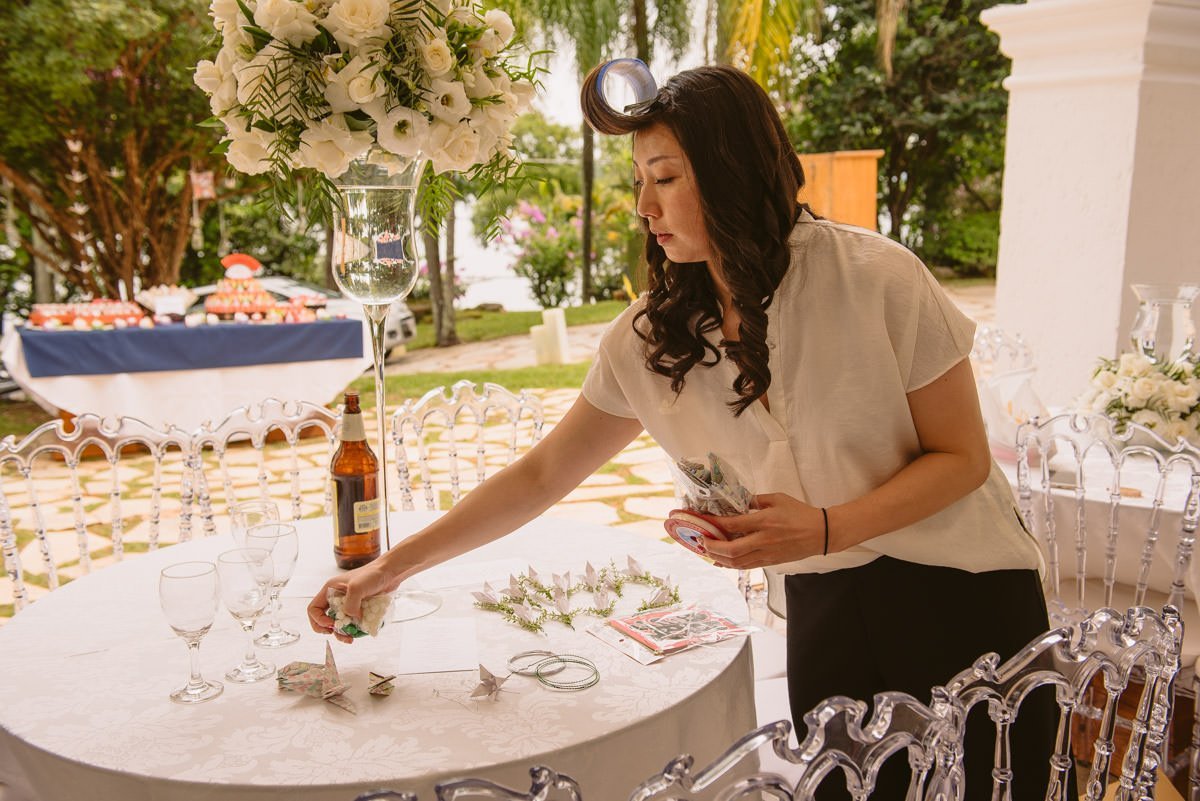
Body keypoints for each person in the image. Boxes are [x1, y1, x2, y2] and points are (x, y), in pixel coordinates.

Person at [309, 60, 1062, 800]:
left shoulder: (880, 280)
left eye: (664, 178)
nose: (644, 205)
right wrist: (386, 571)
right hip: (823, 608)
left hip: (966, 597)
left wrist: (828, 527)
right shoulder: (648, 338)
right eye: (638, 181)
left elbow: (962, 459)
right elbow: (539, 478)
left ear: (732, 170)